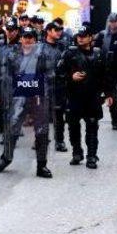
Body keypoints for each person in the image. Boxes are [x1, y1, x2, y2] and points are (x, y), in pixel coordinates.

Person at [0, 27, 53, 178]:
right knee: (12, 127)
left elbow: (51, 74)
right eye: (25, 37)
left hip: (38, 95)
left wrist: (42, 86)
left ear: (35, 39)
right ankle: (6, 157)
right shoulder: (12, 54)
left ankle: (42, 165)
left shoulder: (43, 54)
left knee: (42, 131)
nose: (28, 40)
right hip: (18, 95)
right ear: (21, 38)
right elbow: (5, 75)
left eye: (31, 37)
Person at [57, 26, 114, 168]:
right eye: (78, 35)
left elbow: (106, 75)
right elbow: (58, 73)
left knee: (92, 127)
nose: (80, 38)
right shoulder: (69, 54)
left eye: (84, 35)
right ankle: (77, 152)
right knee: (73, 127)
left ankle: (92, 156)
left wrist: (108, 94)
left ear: (90, 38)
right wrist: (71, 77)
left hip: (92, 97)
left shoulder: (99, 54)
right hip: (74, 97)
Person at [40, 20, 68, 152]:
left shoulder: (63, 46)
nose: (59, 32)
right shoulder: (39, 47)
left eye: (60, 30)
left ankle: (60, 141)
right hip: (44, 85)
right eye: (56, 30)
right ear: (48, 31)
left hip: (59, 86)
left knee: (58, 114)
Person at [0, 19, 21, 134]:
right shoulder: (1, 44)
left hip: (16, 80)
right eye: (8, 30)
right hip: (2, 79)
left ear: (16, 31)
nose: (10, 32)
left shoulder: (21, 45)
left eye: (12, 30)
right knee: (2, 105)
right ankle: (3, 126)